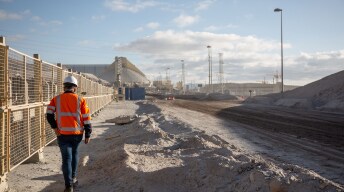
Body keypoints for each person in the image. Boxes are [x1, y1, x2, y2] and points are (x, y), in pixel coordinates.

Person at [46, 75, 92, 192]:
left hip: (62, 134)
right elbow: (86, 118)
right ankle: (74, 178)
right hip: (77, 133)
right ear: (75, 88)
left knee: (66, 158)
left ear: (64, 87)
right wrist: (88, 134)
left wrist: (55, 127)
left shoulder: (56, 99)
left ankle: (68, 186)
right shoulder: (81, 100)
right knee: (75, 154)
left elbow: (49, 114)